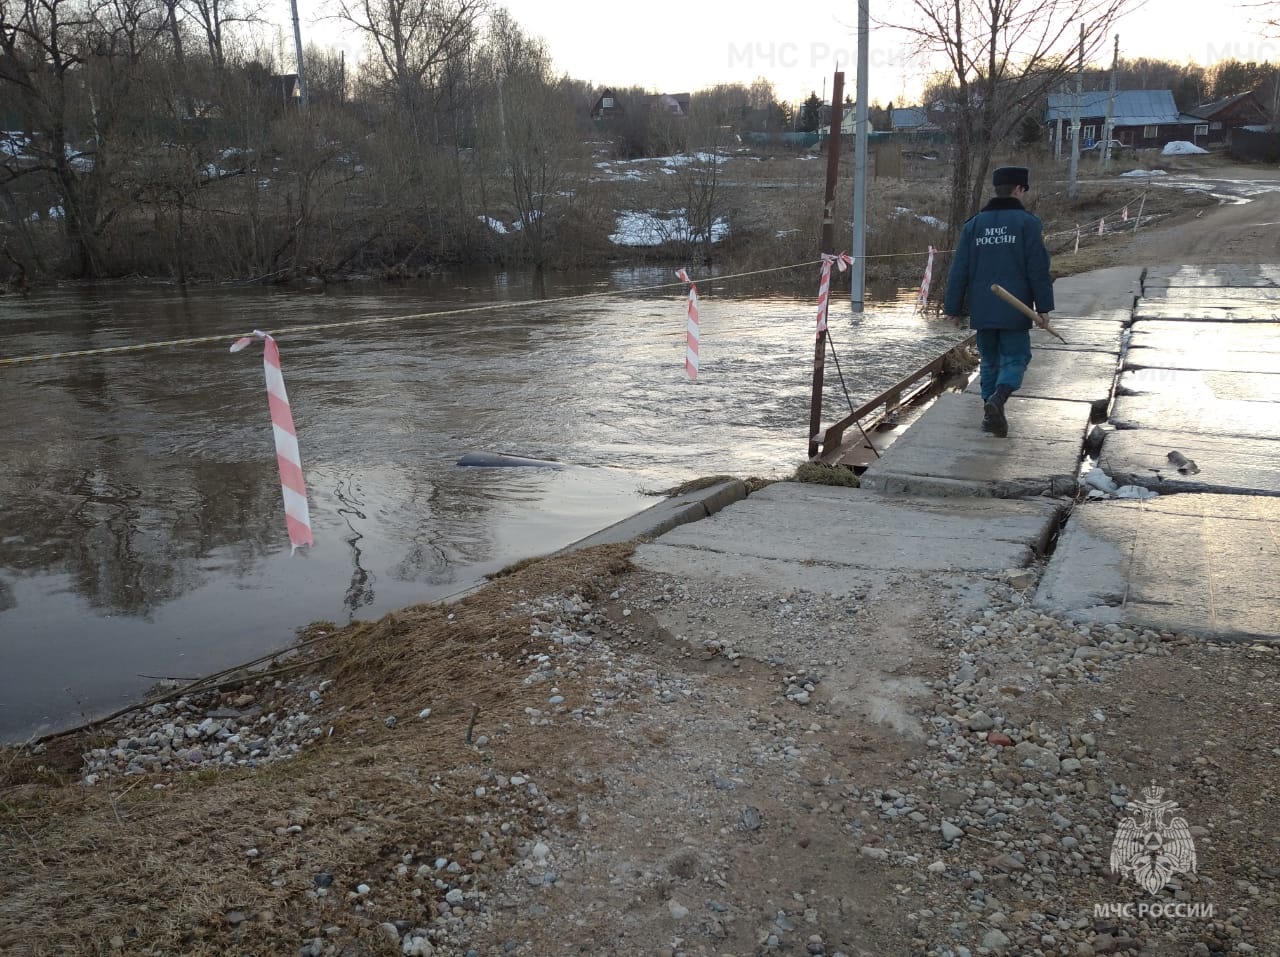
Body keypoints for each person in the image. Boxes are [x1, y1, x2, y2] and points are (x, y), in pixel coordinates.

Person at [943, 166, 1055, 438]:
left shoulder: (974, 225)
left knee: (990, 361)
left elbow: (960, 269)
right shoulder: (1028, 224)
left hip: (983, 309)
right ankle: (1000, 398)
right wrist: (1044, 308)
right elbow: (1037, 269)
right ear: (1019, 189)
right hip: (1015, 309)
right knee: (1017, 357)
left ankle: (989, 414)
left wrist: (953, 308)